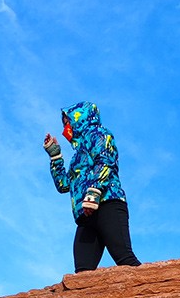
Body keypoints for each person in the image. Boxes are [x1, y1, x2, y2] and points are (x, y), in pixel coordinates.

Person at [44, 101, 140, 272]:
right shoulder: (77, 157)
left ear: (79, 118)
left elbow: (105, 161)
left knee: (124, 257)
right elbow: (63, 185)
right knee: (82, 271)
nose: (66, 127)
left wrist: (94, 193)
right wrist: (55, 155)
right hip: (86, 215)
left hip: (107, 204)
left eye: (67, 121)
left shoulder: (99, 134)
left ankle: (159, 293)